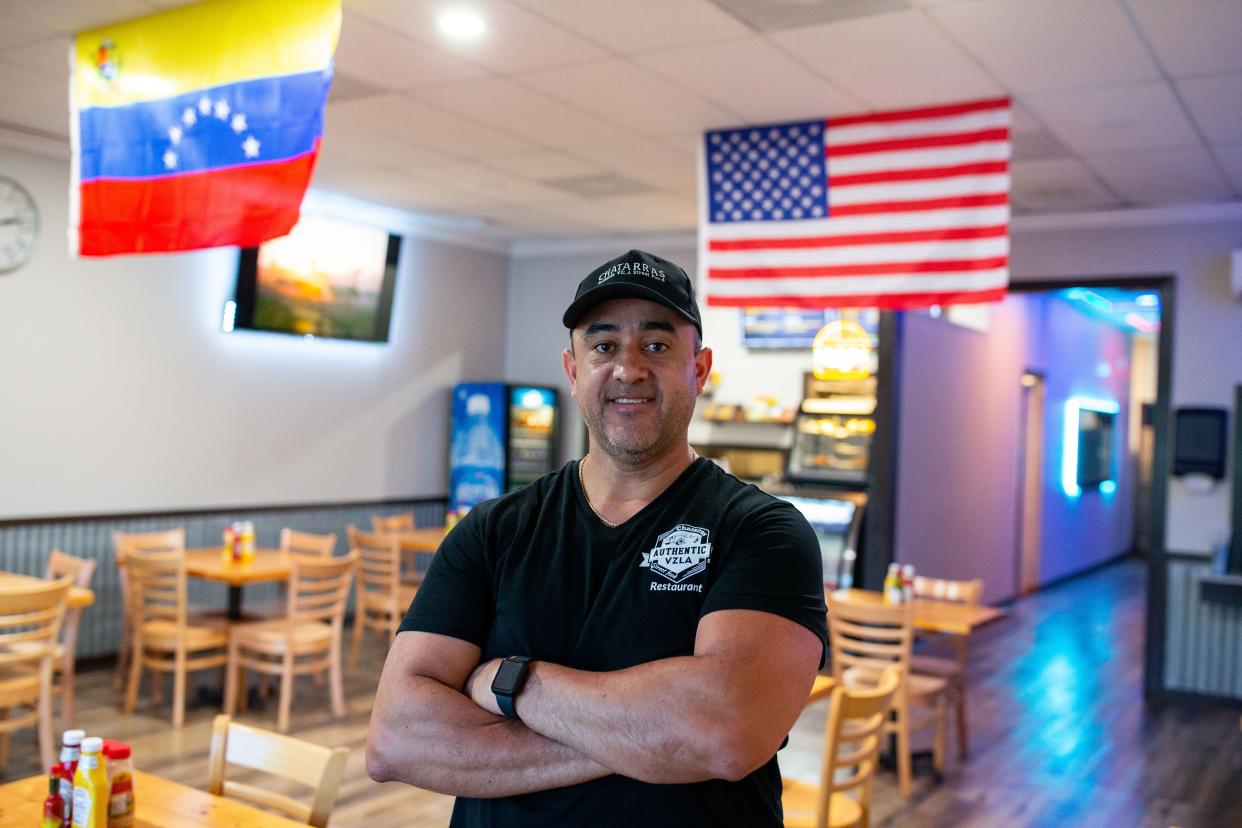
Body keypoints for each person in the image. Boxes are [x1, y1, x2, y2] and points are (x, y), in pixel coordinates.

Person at [367, 249, 827, 826]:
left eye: (656, 346)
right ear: (573, 369)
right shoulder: (492, 531)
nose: (628, 369)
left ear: (700, 369)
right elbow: (396, 739)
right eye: (603, 346)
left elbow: (723, 733)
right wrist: (649, 739)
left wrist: (512, 682)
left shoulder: (762, 532)